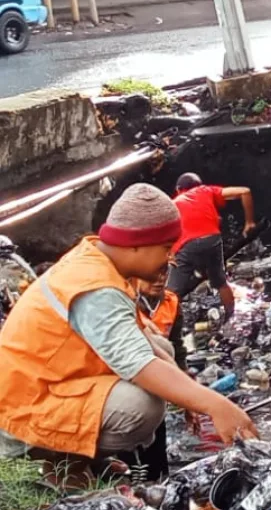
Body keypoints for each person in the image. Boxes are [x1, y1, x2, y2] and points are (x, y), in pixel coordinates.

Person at [0, 184, 257, 489]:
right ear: (136, 245)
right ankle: (59, 460)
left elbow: (145, 344)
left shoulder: (95, 258)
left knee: (162, 347)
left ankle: (82, 453)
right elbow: (140, 364)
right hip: (21, 408)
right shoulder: (96, 288)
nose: (170, 258)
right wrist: (216, 405)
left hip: (52, 382)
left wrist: (192, 395)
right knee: (143, 406)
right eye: (165, 248)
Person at [167, 173, 255, 320]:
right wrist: (249, 222)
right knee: (221, 283)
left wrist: (169, 255)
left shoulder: (173, 203)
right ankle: (230, 317)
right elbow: (244, 191)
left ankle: (172, 331)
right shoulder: (206, 190)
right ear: (199, 184)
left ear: (178, 189)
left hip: (187, 246)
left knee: (171, 294)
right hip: (212, 240)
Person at [136, 271, 185, 368]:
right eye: (151, 273)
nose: (160, 279)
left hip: (164, 364)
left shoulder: (171, 301)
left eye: (164, 271)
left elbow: (177, 345)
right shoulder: (124, 302)